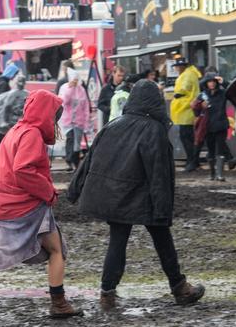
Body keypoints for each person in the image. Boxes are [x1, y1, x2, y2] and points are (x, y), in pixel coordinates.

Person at [68, 80, 205, 311]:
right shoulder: (154, 130)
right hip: (143, 197)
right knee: (162, 239)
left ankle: (107, 295)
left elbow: (88, 161)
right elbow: (159, 174)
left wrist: (74, 191)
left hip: (115, 197)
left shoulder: (112, 125)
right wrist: (163, 209)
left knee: (118, 242)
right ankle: (180, 288)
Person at [0, 90, 82, 326]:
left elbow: (0, 171)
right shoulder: (32, 135)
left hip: (4, 208)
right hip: (30, 207)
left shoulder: (14, 131)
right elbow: (23, 171)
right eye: (54, 115)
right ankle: (59, 304)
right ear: (46, 114)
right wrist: (48, 192)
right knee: (57, 250)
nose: (55, 122)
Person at [193, 74, 229, 181]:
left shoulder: (223, 93)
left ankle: (220, 174)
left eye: (214, 81)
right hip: (208, 126)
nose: (212, 83)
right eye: (209, 81)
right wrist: (200, 106)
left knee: (220, 149)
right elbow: (196, 111)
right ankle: (213, 173)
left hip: (221, 125)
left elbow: (233, 91)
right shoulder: (202, 95)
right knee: (211, 149)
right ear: (206, 83)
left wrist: (224, 81)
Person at [170, 57, 201, 172]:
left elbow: (184, 88)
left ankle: (192, 161)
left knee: (186, 137)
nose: (177, 68)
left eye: (178, 66)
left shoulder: (188, 75)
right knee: (189, 137)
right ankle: (192, 160)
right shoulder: (189, 73)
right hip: (185, 109)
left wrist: (177, 94)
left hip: (186, 109)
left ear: (183, 66)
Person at [59, 68, 90, 171]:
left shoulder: (81, 90)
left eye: (77, 79)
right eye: (74, 79)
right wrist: (69, 89)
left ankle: (75, 163)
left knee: (77, 143)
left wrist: (86, 122)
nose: (75, 81)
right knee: (70, 139)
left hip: (79, 121)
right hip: (68, 121)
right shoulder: (64, 88)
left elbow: (85, 106)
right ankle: (69, 161)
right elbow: (63, 102)